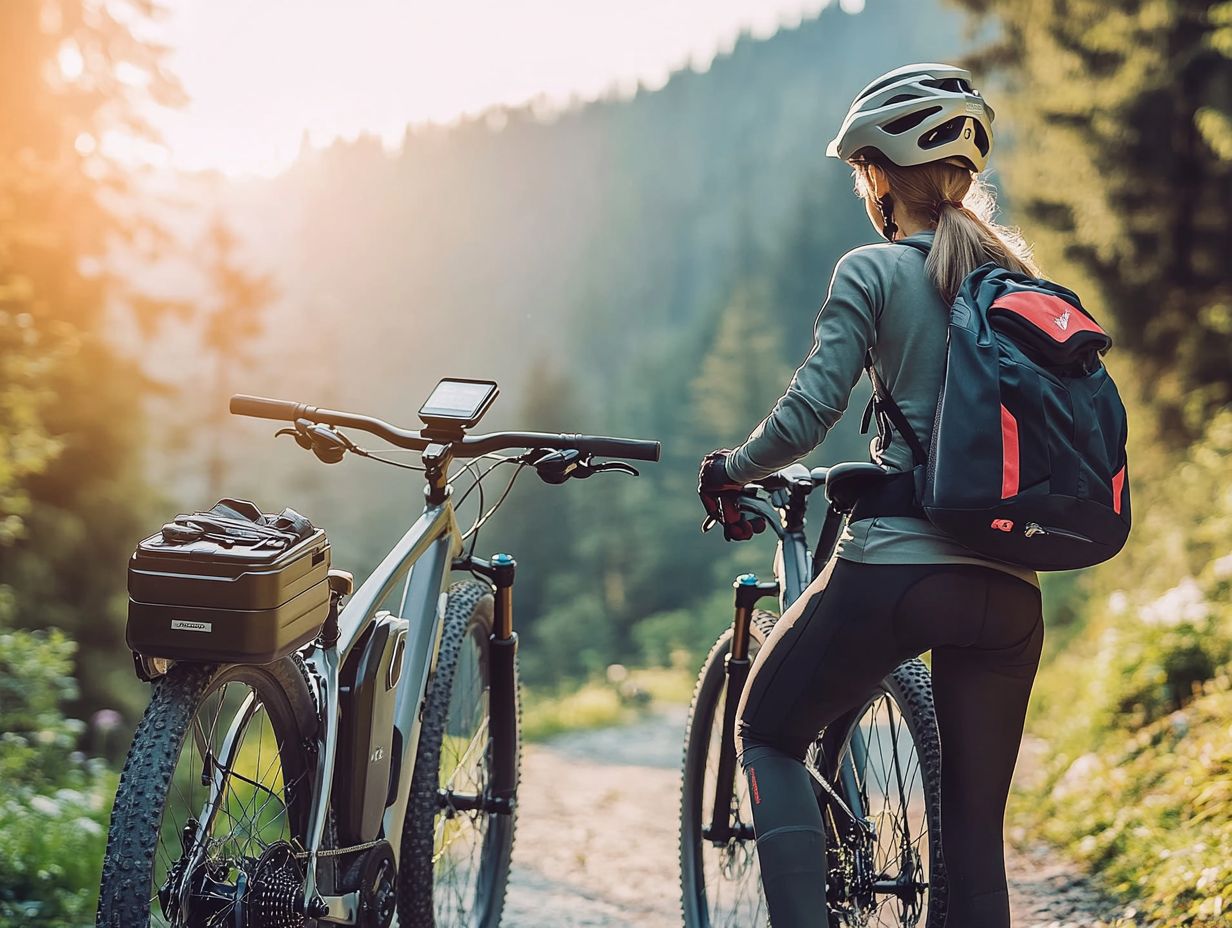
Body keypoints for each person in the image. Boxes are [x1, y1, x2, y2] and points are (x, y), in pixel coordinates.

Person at [697, 63, 1044, 928]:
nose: (862, 191)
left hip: (899, 564)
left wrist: (733, 467)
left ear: (882, 173)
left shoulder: (877, 269)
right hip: (1012, 589)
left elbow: (810, 414)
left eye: (862, 174)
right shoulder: (1021, 283)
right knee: (972, 842)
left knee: (769, 732)